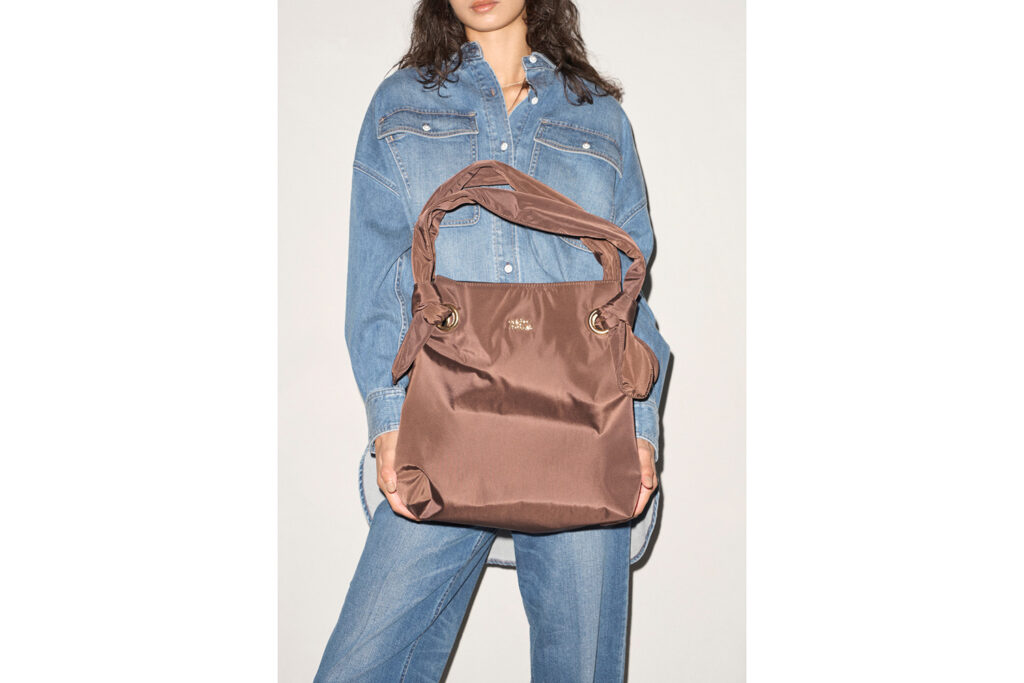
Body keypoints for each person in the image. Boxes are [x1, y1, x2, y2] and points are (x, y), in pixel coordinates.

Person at [314, 1, 671, 680]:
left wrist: (642, 428)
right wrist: (389, 417)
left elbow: (631, 294)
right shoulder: (399, 105)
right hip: (445, 420)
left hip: (585, 426)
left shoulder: (599, 118)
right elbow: (379, 276)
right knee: (359, 665)